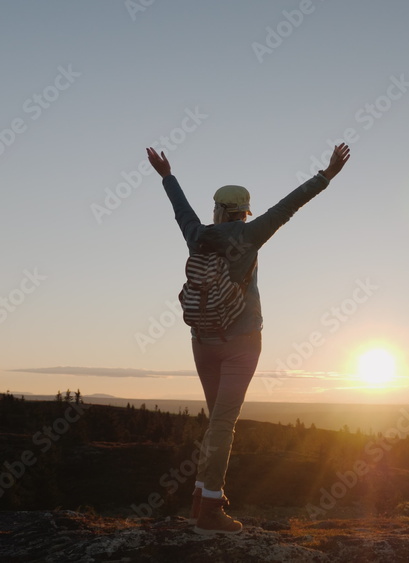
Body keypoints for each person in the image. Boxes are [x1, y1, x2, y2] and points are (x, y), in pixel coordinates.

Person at [146, 143, 351, 535]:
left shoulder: (198, 235)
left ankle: (199, 499)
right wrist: (326, 175)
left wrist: (167, 174)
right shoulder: (251, 233)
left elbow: (180, 209)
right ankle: (209, 510)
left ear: (218, 209)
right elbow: (289, 206)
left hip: (202, 339)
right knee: (224, 425)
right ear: (243, 211)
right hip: (241, 342)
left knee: (216, 424)